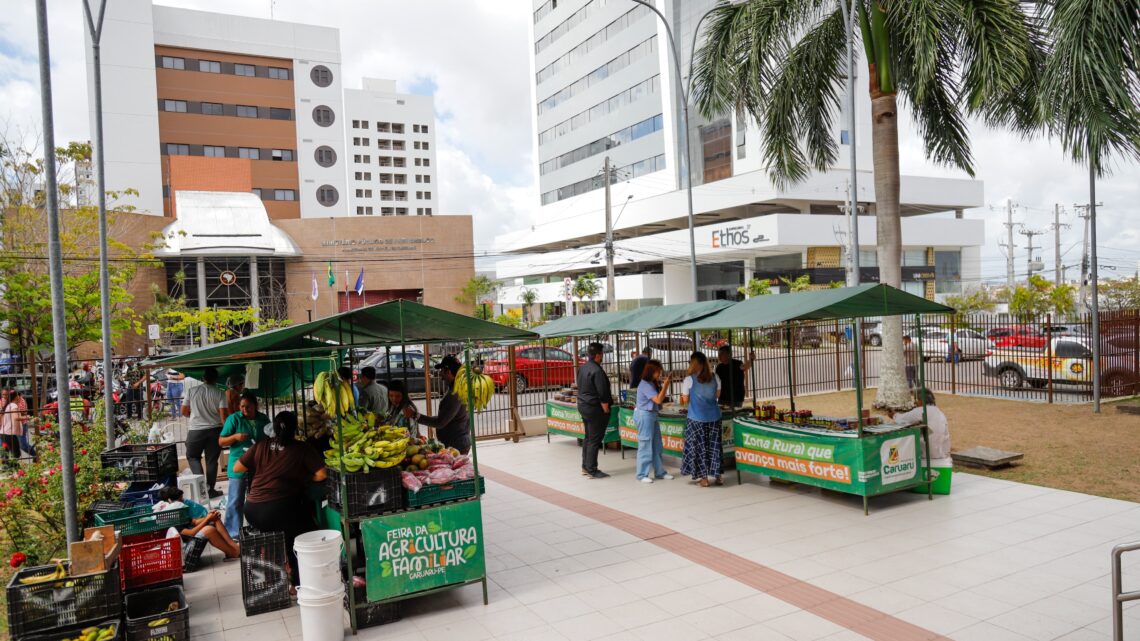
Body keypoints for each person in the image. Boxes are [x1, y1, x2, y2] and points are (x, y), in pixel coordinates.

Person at [234, 411, 326, 588]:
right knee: (302, 532)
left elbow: (237, 467)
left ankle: (276, 576)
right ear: (295, 429)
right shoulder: (302, 448)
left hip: (252, 510)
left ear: (273, 428)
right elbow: (322, 474)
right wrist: (304, 477)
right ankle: (297, 582)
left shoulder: (261, 445)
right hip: (279, 509)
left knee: (282, 529)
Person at [218, 390, 270, 538]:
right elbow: (221, 441)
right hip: (238, 465)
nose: (245, 410)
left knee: (256, 498)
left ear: (255, 406)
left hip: (259, 465)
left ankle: (257, 527)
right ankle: (233, 533)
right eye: (242, 406)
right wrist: (235, 437)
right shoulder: (234, 419)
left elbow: (270, 436)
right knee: (236, 499)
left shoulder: (263, 419)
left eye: (248, 407)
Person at [153, 486, 239, 560]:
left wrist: (211, 516)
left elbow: (194, 521)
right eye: (180, 500)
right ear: (170, 501)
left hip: (190, 539)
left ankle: (233, 546)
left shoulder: (179, 511)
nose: (183, 501)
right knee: (209, 530)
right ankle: (232, 552)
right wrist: (207, 519)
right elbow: (191, 533)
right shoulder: (170, 518)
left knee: (215, 518)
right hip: (184, 550)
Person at [404, 356, 469, 454]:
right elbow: (448, 417)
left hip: (456, 445)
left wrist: (415, 415)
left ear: (448, 372)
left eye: (442, 371)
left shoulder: (454, 394)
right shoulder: (458, 388)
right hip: (456, 442)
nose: (440, 374)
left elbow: (440, 422)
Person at [182, 367, 227, 499]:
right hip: (215, 430)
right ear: (216, 379)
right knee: (211, 461)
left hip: (196, 430)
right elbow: (223, 417)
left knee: (193, 457)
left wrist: (194, 415)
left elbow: (184, 411)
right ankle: (210, 490)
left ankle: (201, 490)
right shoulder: (220, 393)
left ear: (203, 378)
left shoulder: (192, 391)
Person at [681, 352, 724, 487]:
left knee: (699, 448)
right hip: (714, 418)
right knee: (714, 446)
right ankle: (718, 476)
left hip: (696, 419)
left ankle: (704, 479)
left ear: (694, 364)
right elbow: (717, 395)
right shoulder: (715, 377)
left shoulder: (689, 380)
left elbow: (685, 400)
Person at [576, 342, 613, 479]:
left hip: (583, 405)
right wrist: (606, 409)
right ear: (598, 355)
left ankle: (585, 466)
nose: (603, 356)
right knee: (594, 439)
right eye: (602, 354)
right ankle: (592, 469)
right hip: (594, 408)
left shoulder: (583, 367)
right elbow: (603, 392)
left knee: (588, 437)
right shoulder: (597, 371)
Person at [634, 359, 672, 484]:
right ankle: (641, 474)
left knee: (657, 445)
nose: (660, 374)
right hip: (645, 415)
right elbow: (658, 400)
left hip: (652, 415)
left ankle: (660, 472)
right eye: (658, 372)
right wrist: (666, 385)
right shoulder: (645, 384)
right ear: (651, 371)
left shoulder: (651, 383)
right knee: (645, 444)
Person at [890, 388, 951, 461]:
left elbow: (900, 419)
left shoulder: (921, 410)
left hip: (927, 455)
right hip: (942, 453)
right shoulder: (938, 411)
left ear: (921, 400)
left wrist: (894, 415)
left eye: (916, 400)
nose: (914, 402)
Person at [0, 391, 20, 470]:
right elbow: (16, 417)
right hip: (9, 432)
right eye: (18, 395)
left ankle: (6, 467)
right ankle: (13, 467)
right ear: (16, 397)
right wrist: (27, 417)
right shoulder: (13, 405)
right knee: (16, 453)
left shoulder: (7, 405)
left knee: (6, 451)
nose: (19, 397)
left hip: (3, 432)